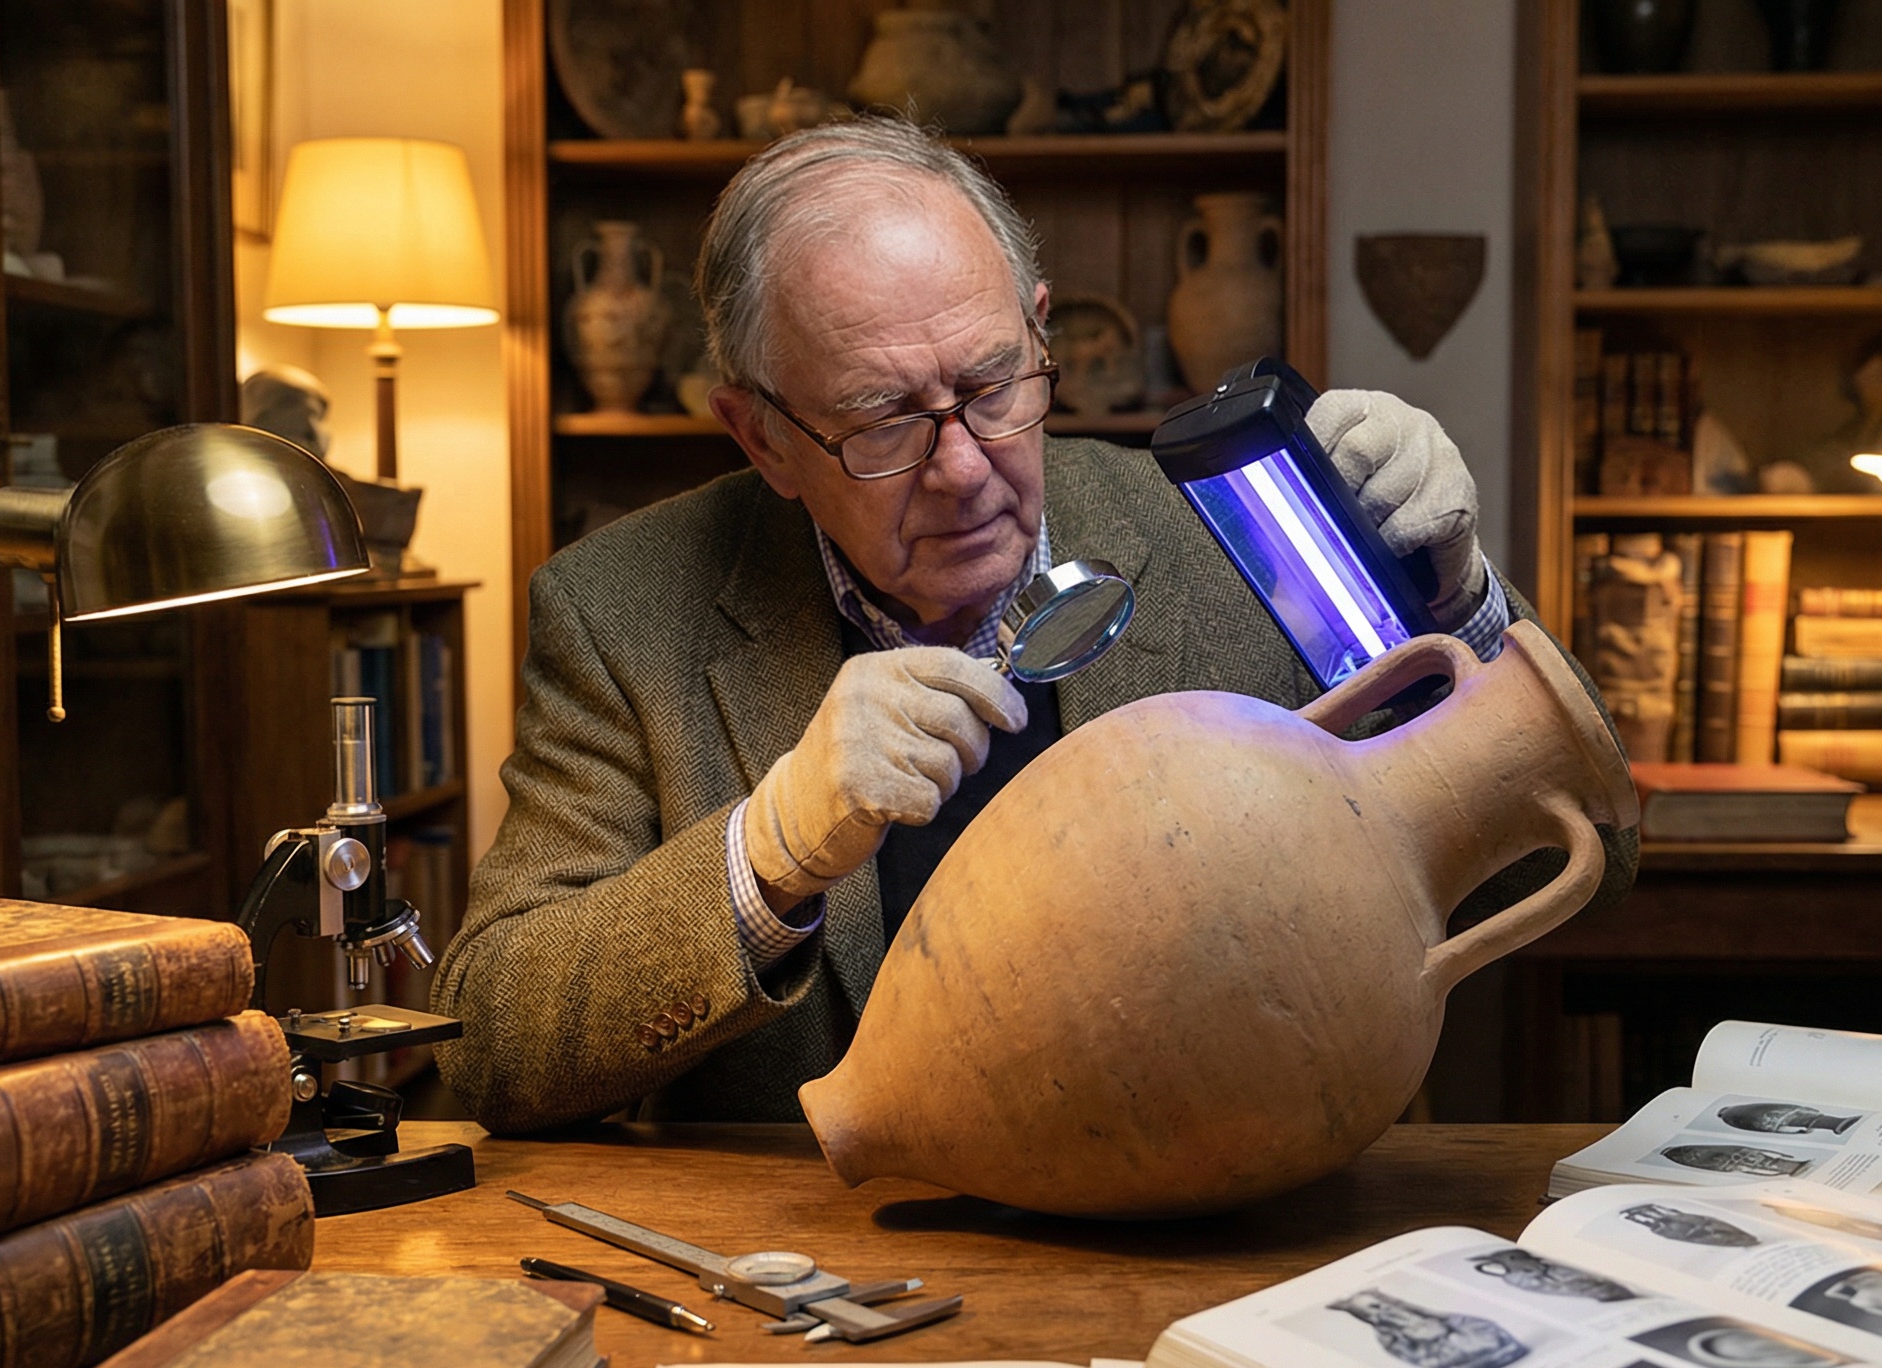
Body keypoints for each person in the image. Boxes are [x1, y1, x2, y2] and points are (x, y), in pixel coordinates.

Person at [432, 117, 1632, 1133]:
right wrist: (770, 852)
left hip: (1239, 1229)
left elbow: (1582, 853)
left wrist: (1457, 601)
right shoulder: (616, 611)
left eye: (992, 386)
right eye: (882, 420)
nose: (960, 470)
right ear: (759, 437)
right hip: (827, 1274)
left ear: (1038, 328)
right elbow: (489, 1045)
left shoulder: (1241, 532)